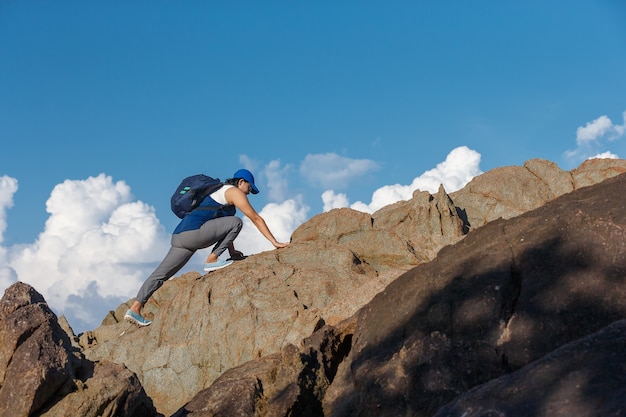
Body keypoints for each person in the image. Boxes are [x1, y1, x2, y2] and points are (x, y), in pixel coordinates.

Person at [124, 169, 289, 327]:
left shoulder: (220, 195)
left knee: (160, 274)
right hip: (194, 235)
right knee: (237, 222)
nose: (248, 193)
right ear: (241, 182)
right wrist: (274, 242)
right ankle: (211, 260)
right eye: (249, 188)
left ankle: (135, 308)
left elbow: (221, 227)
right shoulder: (233, 192)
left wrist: (232, 252)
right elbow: (255, 218)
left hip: (180, 236)